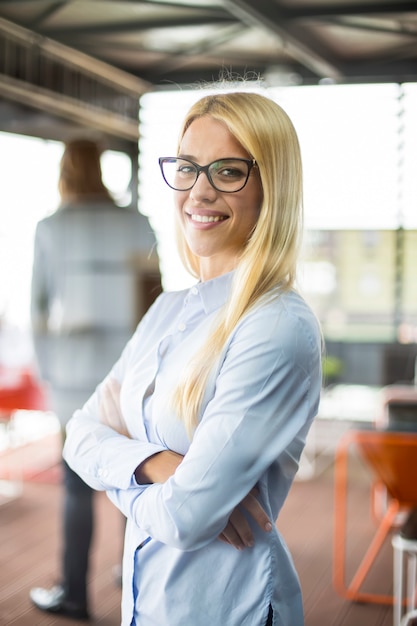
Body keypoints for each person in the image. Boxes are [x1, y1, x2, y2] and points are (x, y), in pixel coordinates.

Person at [63, 91, 322, 626]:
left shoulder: (275, 326)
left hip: (229, 608)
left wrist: (118, 472)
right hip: (150, 602)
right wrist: (159, 467)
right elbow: (79, 432)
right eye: (187, 167)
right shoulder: (167, 309)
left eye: (228, 171)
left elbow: (185, 517)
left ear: (271, 186)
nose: (198, 191)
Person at [29, 138, 160, 620]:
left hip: (70, 379)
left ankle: (74, 593)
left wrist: (48, 379)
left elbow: (38, 311)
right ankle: (134, 574)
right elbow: (153, 306)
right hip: (129, 374)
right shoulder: (137, 222)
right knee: (134, 472)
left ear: (63, 170)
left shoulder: (50, 227)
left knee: (76, 484)